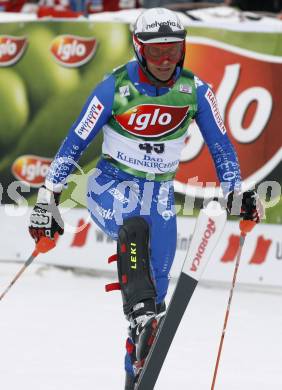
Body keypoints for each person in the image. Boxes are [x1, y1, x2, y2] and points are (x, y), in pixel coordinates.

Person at [29, 7, 262, 389]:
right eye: (156, 53)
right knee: (134, 229)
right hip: (108, 185)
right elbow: (73, 144)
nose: (166, 60)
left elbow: (221, 148)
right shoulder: (114, 88)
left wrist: (237, 192)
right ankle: (141, 315)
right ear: (138, 50)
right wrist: (46, 200)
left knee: (153, 317)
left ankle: (137, 357)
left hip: (160, 199)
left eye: (174, 50)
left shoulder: (195, 91)